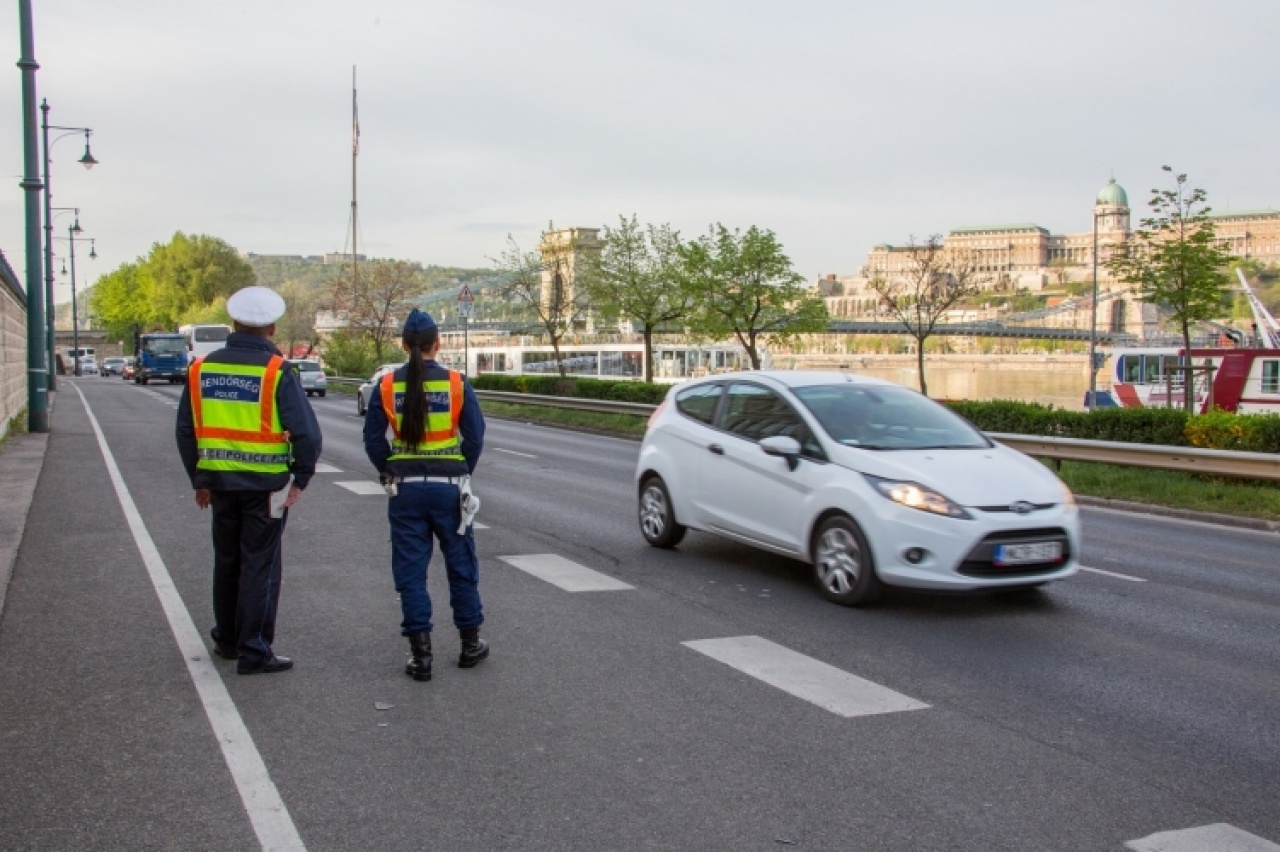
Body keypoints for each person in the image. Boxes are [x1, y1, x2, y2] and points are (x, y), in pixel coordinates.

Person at [175, 285, 322, 675]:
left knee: (227, 560)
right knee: (260, 564)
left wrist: (199, 479)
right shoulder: (277, 371)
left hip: (220, 483)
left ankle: (227, 640)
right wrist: (301, 479)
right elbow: (306, 433)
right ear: (271, 329)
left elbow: (186, 431)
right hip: (265, 487)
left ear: (233, 324)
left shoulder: (201, 369)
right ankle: (255, 650)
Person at [363, 308, 487, 682]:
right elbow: (475, 437)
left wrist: (390, 467)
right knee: (461, 566)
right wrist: (460, 467)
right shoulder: (456, 383)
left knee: (411, 573)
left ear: (403, 345)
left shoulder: (386, 386)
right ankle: (470, 644)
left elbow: (372, 439)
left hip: (407, 492)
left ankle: (421, 656)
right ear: (438, 344)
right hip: (449, 489)